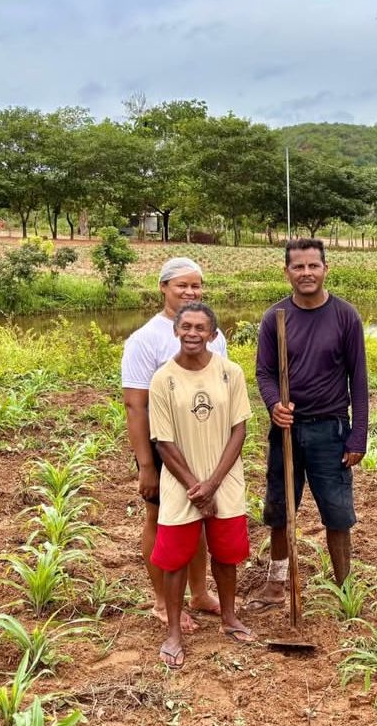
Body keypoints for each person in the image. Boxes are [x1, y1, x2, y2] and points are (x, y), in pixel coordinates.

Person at [252, 238, 369, 608]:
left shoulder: (345, 315)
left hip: (330, 429)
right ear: (286, 272)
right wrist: (274, 404)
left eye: (313, 266)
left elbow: (359, 379)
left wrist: (357, 436)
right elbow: (265, 372)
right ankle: (276, 583)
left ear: (325, 269)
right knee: (280, 507)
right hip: (286, 429)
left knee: (337, 511)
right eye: (298, 267)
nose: (306, 273)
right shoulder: (276, 318)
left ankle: (344, 585)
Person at [121, 257, 228, 633]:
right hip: (162, 447)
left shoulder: (214, 334)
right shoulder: (145, 340)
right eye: (182, 285)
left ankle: (199, 593)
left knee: (198, 517)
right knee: (160, 517)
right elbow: (135, 405)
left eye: (196, 286)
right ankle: (163, 602)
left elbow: (222, 389)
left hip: (205, 445)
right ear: (163, 287)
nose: (190, 292)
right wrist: (147, 465)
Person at [149, 301, 253, 667]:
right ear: (176, 330)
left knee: (226, 554)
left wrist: (214, 483)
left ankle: (228, 618)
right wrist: (197, 487)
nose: (193, 333)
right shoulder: (163, 379)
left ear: (212, 333)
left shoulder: (230, 372)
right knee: (175, 559)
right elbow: (163, 441)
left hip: (224, 477)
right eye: (186, 327)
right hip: (182, 482)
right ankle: (174, 632)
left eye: (200, 328)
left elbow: (239, 429)